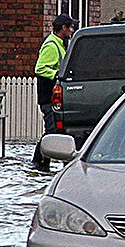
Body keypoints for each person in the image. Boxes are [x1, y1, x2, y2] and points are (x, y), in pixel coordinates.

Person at [31, 14, 76, 170]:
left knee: (53, 130)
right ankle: (39, 163)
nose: (72, 30)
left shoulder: (61, 44)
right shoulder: (51, 45)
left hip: (54, 97)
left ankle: (41, 164)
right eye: (70, 27)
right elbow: (40, 69)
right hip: (48, 97)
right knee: (51, 131)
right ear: (63, 28)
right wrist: (57, 76)